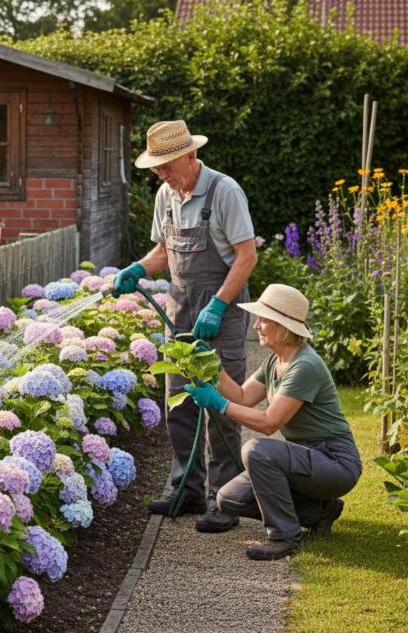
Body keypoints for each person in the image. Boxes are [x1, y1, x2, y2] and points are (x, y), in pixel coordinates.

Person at [114, 119, 257, 533]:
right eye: (156, 167)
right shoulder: (166, 194)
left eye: (167, 165)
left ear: (191, 155)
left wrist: (217, 305)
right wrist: (139, 267)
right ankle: (187, 490)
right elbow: (164, 250)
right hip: (178, 313)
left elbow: (247, 257)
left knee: (222, 404)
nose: (161, 174)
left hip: (221, 314)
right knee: (179, 402)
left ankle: (225, 498)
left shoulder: (224, 191)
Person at [184, 283, 362, 560]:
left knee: (257, 450)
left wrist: (218, 404)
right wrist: (214, 367)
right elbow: (242, 397)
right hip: (306, 457)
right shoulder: (275, 361)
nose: (256, 325)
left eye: (263, 319)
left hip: (334, 461)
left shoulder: (304, 366)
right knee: (228, 499)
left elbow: (269, 423)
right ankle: (319, 512)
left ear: (282, 325)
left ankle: (285, 535)